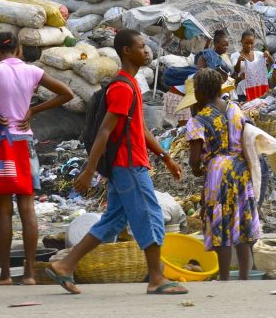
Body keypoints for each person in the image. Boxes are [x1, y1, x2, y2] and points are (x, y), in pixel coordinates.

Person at [47, 30, 188, 295]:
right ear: (126, 51)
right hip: (128, 164)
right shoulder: (123, 87)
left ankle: (65, 265)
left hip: (127, 164)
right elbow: (104, 131)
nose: (147, 51)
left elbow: (140, 128)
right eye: (142, 46)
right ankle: (156, 278)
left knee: (112, 221)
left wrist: (165, 156)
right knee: (150, 215)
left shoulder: (132, 84)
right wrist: (89, 170)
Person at [0, 33, 73, 285]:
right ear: (19, 50)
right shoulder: (32, 71)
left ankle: (5, 275)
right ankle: (31, 274)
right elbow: (66, 93)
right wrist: (33, 109)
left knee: (3, 210)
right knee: (27, 206)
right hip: (24, 142)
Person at [183, 69, 263, 281]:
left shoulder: (198, 119)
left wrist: (198, 169)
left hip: (217, 172)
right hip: (240, 168)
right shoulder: (235, 109)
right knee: (242, 221)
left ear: (200, 92)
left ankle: (225, 277)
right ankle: (245, 276)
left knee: (222, 224)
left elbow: (193, 160)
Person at [235, 30, 270, 102]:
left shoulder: (259, 54)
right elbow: (236, 71)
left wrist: (268, 55)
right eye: (246, 43)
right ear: (241, 41)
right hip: (243, 91)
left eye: (251, 43)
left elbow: (272, 64)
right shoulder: (235, 55)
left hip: (258, 89)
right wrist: (239, 61)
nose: (249, 46)